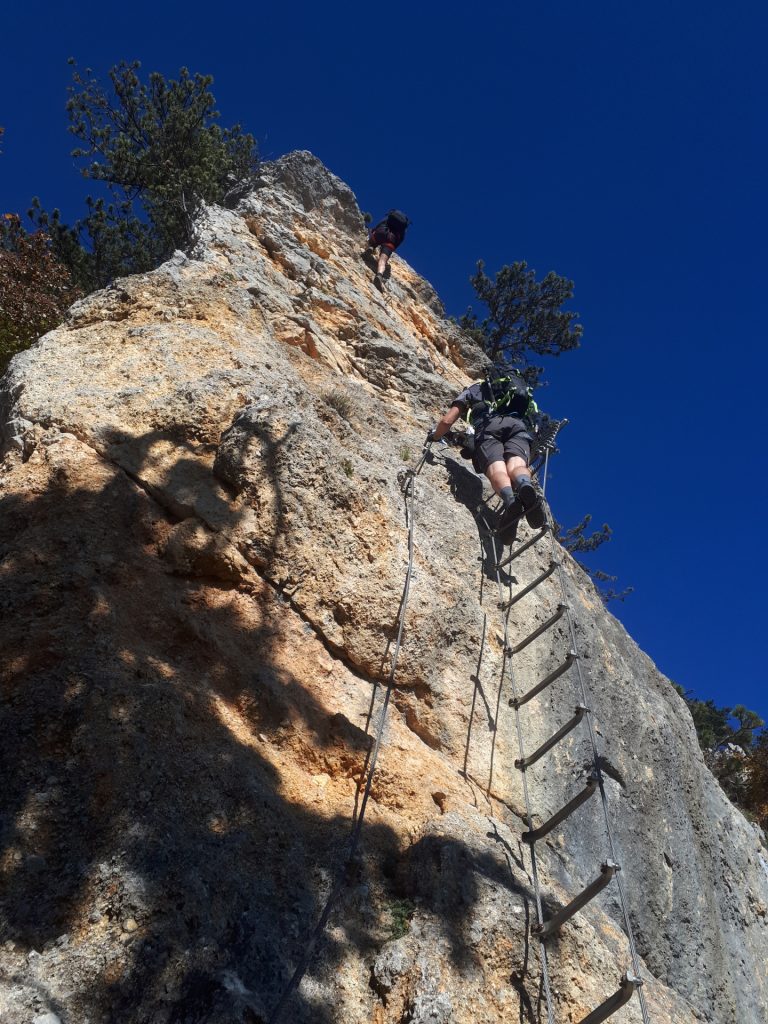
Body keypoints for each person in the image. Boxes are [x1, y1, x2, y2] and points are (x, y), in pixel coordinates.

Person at [428, 374, 546, 533]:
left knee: (497, 470)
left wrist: (435, 436)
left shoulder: (472, 390)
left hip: (488, 428)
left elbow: (447, 421)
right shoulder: (510, 391)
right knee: (516, 466)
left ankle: (511, 501)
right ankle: (524, 484)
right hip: (518, 427)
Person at [366, 210, 409, 290]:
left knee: (372, 236)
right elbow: (400, 240)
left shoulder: (388, 217)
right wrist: (392, 248)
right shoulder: (402, 229)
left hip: (382, 232)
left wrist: (375, 231)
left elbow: (379, 225)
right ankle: (379, 275)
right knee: (383, 260)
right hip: (391, 241)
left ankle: (371, 247)